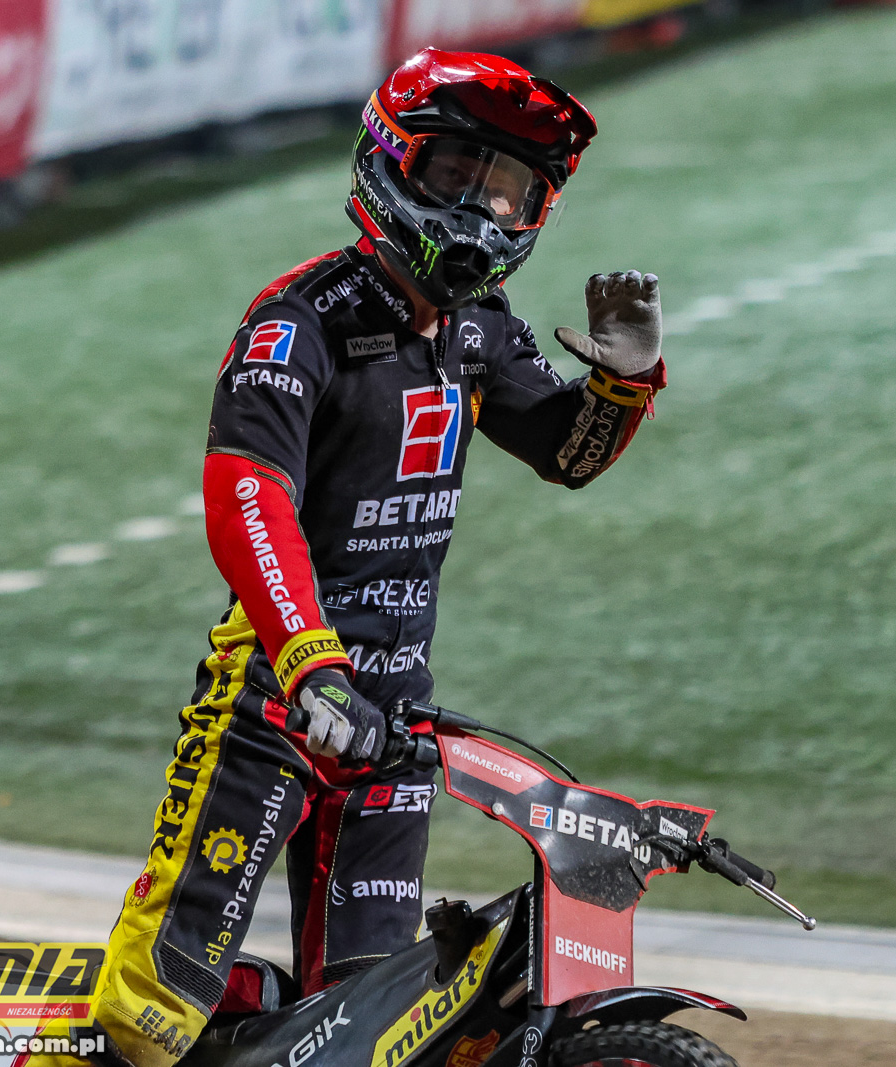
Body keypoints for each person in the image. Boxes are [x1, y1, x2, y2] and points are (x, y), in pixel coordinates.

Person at [44, 47, 667, 1067]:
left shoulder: (477, 330)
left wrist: (625, 382)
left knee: (358, 1026)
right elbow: (248, 500)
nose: (479, 210)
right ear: (389, 164)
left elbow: (568, 454)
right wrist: (309, 667)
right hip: (272, 708)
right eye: (455, 172)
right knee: (149, 1015)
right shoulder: (297, 324)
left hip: (394, 728)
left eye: (506, 189)